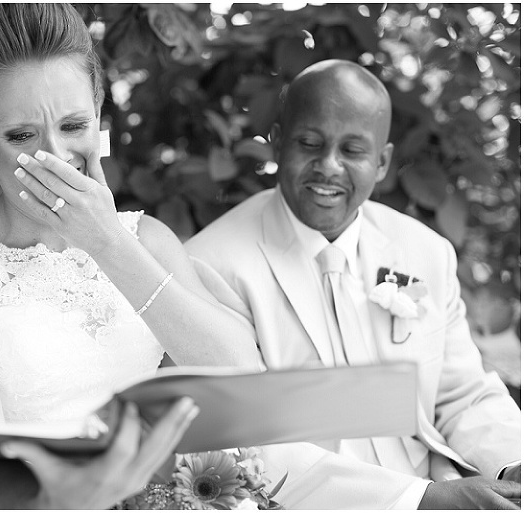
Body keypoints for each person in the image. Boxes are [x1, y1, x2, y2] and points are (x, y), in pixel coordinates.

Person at [0, 4, 263, 509]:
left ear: (99, 114)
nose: (57, 156)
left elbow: (243, 378)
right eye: (21, 135)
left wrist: (109, 244)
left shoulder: (145, 239)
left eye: (73, 125)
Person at [185, 59, 521, 509]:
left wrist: (511, 464)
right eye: (310, 143)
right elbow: (243, 442)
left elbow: (461, 394)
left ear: (381, 162)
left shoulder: (425, 251)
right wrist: (418, 500)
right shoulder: (212, 265)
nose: (329, 166)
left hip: (440, 483)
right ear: (279, 142)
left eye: (353, 150)